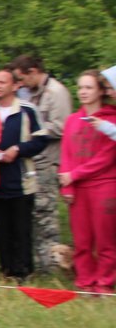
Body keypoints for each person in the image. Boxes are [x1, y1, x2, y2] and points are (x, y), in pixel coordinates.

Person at [10, 54, 74, 274]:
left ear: (34, 72)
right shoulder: (32, 94)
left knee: (46, 216)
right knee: (34, 215)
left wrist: (33, 130)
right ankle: (39, 264)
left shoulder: (56, 92)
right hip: (32, 165)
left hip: (48, 162)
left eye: (23, 78)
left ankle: (54, 267)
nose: (21, 84)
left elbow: (63, 126)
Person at [57, 70, 116, 293]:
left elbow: (106, 157)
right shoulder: (73, 120)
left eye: (89, 87)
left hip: (104, 185)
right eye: (80, 87)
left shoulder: (111, 119)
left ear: (101, 91)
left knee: (105, 241)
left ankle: (104, 284)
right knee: (82, 241)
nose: (83, 92)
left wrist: (75, 175)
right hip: (77, 188)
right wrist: (68, 184)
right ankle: (85, 281)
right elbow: (66, 155)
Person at [0, 68, 47, 282]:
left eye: (2, 82)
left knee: (21, 228)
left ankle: (24, 271)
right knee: (2, 229)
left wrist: (18, 149)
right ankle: (7, 271)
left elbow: (41, 140)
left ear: (15, 86)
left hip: (22, 179)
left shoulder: (27, 110)